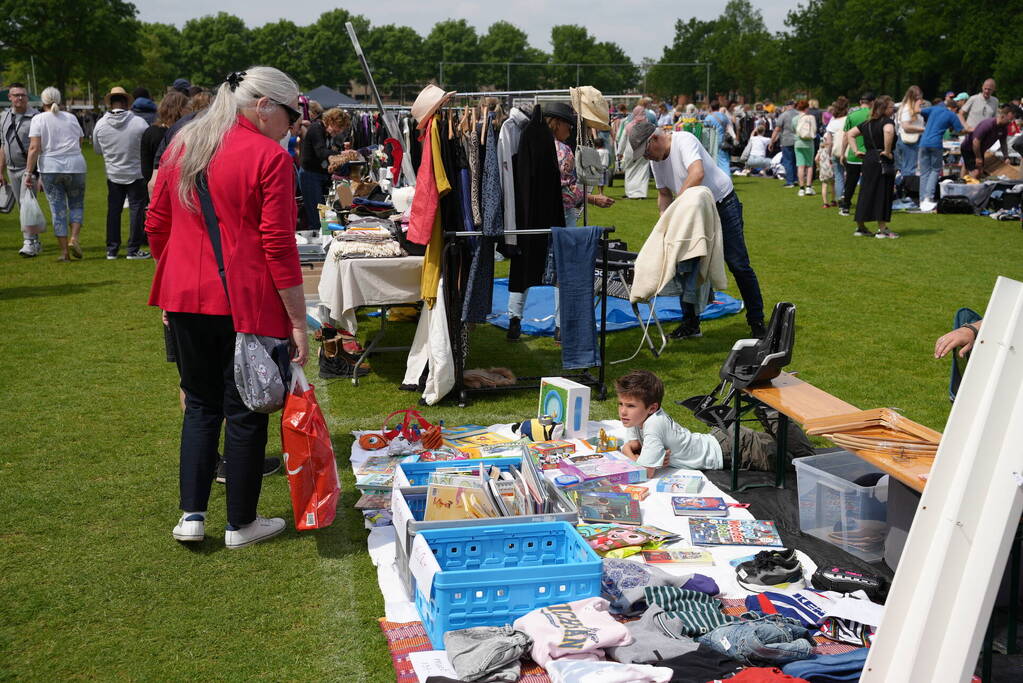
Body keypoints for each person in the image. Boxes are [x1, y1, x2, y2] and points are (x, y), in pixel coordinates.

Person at [146, 66, 307, 548]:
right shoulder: (268, 156)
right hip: (244, 301)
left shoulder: (185, 145)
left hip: (185, 297)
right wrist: (298, 319)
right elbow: (278, 245)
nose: (293, 123)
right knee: (245, 412)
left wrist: (174, 277)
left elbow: (156, 224)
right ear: (263, 106)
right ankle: (241, 522)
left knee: (199, 406)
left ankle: (192, 515)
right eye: (289, 113)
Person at [631, 120, 766, 340]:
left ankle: (757, 321)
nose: (646, 158)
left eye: (645, 152)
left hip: (723, 204)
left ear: (654, 139)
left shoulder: (684, 140)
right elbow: (664, 193)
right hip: (693, 212)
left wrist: (677, 210)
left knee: (738, 263)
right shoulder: (656, 162)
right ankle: (690, 324)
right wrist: (664, 223)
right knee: (685, 263)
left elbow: (697, 173)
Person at [616, 370, 774, 478]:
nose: (623, 411)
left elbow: (646, 472)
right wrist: (639, 455)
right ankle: (770, 413)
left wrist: (630, 454)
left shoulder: (653, 424)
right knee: (782, 449)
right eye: (621, 404)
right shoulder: (638, 418)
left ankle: (773, 411)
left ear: (652, 408)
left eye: (630, 406)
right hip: (723, 440)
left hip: (734, 449)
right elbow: (634, 444)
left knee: (791, 459)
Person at [24, 87, 87, 262]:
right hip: (76, 165)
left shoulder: (38, 119)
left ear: (42, 101)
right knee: (76, 204)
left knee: (57, 209)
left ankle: (64, 252)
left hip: (51, 167)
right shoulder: (71, 117)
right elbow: (80, 140)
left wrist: (28, 172)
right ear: (58, 100)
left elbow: (34, 148)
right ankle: (74, 238)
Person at [93, 86, 151, 260]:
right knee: (136, 210)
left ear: (110, 103)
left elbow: (97, 150)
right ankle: (133, 249)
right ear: (126, 102)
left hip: (113, 173)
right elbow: (146, 147)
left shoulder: (100, 124)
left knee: (114, 211)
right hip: (135, 172)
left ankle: (112, 249)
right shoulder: (139, 123)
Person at [845, 96, 898, 238]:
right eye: (892, 107)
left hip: (868, 158)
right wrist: (887, 151)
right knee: (883, 192)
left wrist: (856, 150)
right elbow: (888, 131)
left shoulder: (867, 123)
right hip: (882, 159)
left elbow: (850, 134)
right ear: (885, 109)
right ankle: (882, 229)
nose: (894, 110)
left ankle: (860, 227)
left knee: (866, 192)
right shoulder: (887, 122)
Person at [0, 82, 41, 257]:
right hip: (11, 168)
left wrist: (32, 172)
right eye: (16, 95)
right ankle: (34, 240)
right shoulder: (3, 116)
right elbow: (3, 145)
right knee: (21, 206)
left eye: (23, 95)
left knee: (26, 205)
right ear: (9, 98)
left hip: (28, 168)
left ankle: (29, 243)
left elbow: (39, 147)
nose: (20, 98)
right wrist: (0, 170)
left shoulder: (36, 117)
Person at [299, 105, 347, 229]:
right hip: (310, 175)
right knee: (317, 214)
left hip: (320, 175)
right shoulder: (316, 128)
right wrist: (341, 154)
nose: (336, 134)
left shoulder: (326, 132)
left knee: (326, 212)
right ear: (330, 121)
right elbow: (321, 152)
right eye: (336, 130)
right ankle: (318, 237)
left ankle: (326, 235)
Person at [917, 98, 964, 213]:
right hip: (936, 144)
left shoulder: (935, 108)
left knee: (924, 173)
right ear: (955, 109)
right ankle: (929, 197)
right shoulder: (952, 115)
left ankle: (922, 199)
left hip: (923, 143)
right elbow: (960, 130)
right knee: (935, 170)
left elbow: (919, 111)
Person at [140, 91, 189, 186]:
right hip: (166, 188)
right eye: (187, 107)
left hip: (154, 187)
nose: (189, 110)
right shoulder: (178, 134)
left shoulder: (150, 131)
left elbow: (145, 169)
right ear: (180, 109)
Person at [960, 104, 1021, 180]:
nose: (1011, 122)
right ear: (1004, 116)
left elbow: (1003, 143)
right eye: (1010, 120)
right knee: (976, 172)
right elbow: (976, 142)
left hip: (980, 149)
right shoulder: (988, 124)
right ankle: (970, 189)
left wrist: (1006, 157)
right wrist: (978, 157)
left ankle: (963, 183)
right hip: (968, 148)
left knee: (979, 171)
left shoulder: (1003, 128)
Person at [838, 92, 875, 216]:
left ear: (860, 102)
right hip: (870, 154)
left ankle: (845, 206)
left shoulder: (852, 115)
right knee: (869, 182)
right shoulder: (874, 115)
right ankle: (867, 206)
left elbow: (846, 136)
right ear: (873, 102)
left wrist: (842, 153)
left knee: (850, 182)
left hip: (854, 154)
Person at [617, 106, 651, 199]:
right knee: (643, 171)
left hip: (630, 151)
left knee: (629, 172)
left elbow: (622, 140)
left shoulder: (629, 125)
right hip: (643, 151)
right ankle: (641, 194)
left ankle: (630, 193)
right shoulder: (648, 125)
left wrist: (619, 152)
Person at [823, 97, 849, 208]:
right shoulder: (849, 120)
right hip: (849, 151)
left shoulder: (832, 123)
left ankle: (839, 198)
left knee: (839, 176)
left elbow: (829, 142)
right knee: (849, 175)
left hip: (835, 152)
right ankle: (846, 197)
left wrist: (828, 156)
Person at [895, 86, 925, 179]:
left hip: (912, 140)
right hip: (909, 141)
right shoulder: (907, 108)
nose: (921, 100)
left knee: (909, 167)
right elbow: (906, 126)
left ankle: (906, 189)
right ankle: (907, 191)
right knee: (909, 168)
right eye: (919, 98)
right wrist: (923, 129)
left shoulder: (909, 107)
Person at [769, 101, 799, 188]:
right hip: (797, 140)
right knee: (795, 161)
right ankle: (796, 179)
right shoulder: (799, 114)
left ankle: (790, 181)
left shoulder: (784, 115)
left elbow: (777, 129)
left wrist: (772, 141)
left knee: (788, 161)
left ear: (786, 106)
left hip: (786, 140)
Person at [793, 100, 817, 196]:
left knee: (800, 165)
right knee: (809, 165)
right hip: (809, 143)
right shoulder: (811, 118)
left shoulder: (795, 119)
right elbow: (814, 130)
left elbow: (793, 129)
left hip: (798, 143)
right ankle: (808, 187)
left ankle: (801, 188)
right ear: (806, 108)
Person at [705, 101, 734, 176]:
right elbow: (729, 126)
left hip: (713, 141)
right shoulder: (724, 116)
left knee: (719, 161)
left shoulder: (709, 117)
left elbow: (705, 130)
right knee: (724, 160)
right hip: (723, 140)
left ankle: (727, 180)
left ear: (711, 108)